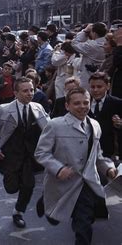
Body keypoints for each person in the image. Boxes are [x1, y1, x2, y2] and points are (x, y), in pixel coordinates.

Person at [34, 87, 118, 244]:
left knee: (84, 224)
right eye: (77, 103)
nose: (82, 106)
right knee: (54, 218)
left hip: (87, 183)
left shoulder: (95, 125)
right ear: (67, 106)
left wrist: (108, 168)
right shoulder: (55, 125)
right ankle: (46, 201)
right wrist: (58, 169)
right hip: (62, 183)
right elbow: (41, 153)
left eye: (86, 102)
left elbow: (97, 155)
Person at [0, 77, 50, 228]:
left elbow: (49, 128)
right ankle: (12, 177)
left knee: (29, 185)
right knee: (12, 188)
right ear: (15, 93)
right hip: (10, 155)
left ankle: (18, 212)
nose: (29, 94)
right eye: (25, 91)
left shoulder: (38, 108)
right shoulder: (4, 109)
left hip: (29, 155)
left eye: (32, 90)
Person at [87, 71, 122, 159]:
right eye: (92, 87)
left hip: (109, 153)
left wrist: (120, 124)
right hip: (87, 151)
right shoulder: (84, 103)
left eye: (99, 87)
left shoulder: (117, 103)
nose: (95, 90)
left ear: (108, 86)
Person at [71, 22, 107, 90]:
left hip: (88, 78)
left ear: (94, 33)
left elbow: (74, 43)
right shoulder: (108, 44)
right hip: (102, 78)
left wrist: (84, 31)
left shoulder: (91, 45)